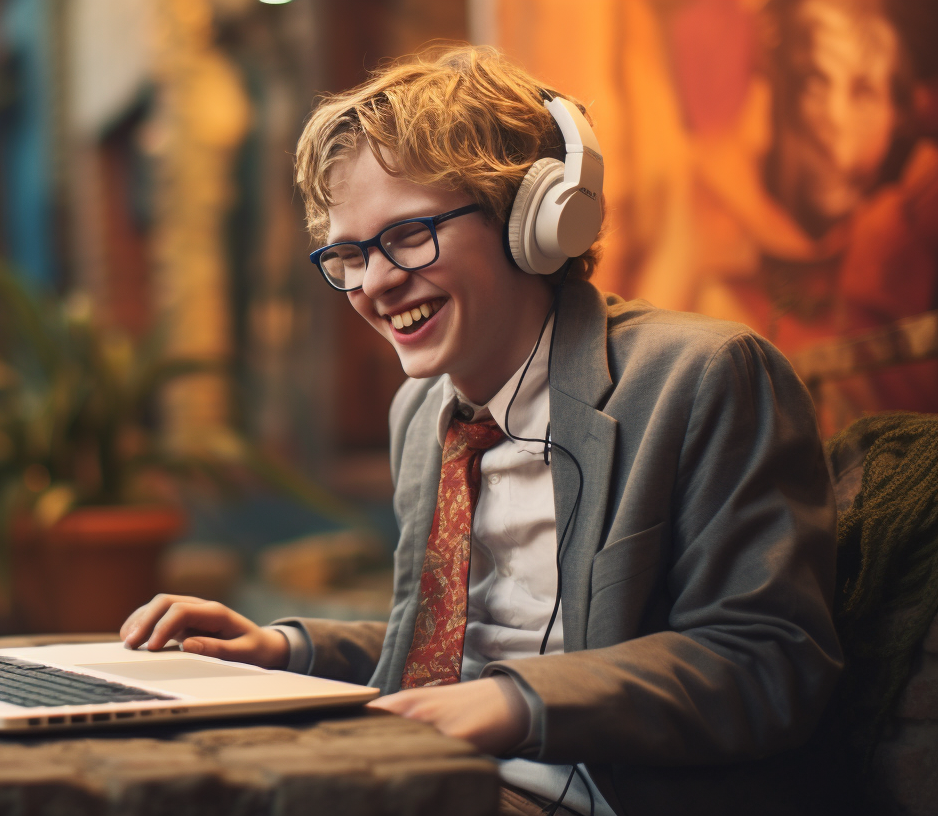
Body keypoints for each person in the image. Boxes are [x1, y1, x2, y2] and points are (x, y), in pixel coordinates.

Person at [119, 46, 841, 816]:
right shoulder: (423, 413)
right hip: (439, 786)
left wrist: (514, 703)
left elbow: (768, 661)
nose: (374, 284)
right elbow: (446, 652)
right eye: (348, 254)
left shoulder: (702, 377)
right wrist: (284, 650)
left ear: (535, 218)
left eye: (407, 236)